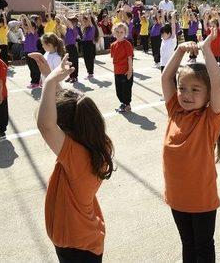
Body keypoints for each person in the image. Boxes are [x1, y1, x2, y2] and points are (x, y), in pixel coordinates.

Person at [36, 55, 113, 263]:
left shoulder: (76, 157)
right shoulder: (96, 144)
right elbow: (73, 108)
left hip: (77, 244)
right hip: (83, 238)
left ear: (68, 129)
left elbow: (46, 125)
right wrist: (48, 75)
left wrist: (51, 81)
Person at [161, 29, 220, 263]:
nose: (186, 94)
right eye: (183, 88)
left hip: (201, 198)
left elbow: (218, 84)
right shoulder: (174, 110)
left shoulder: (209, 119)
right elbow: (166, 78)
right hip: (177, 197)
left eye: (195, 89)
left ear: (208, 95)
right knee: (187, 243)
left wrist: (206, 50)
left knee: (203, 245)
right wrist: (178, 50)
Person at [110, 23, 134, 113]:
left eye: (121, 32)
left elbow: (129, 58)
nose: (119, 33)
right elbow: (114, 58)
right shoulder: (113, 45)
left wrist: (130, 71)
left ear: (125, 33)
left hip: (126, 72)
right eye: (117, 31)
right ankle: (123, 103)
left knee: (126, 90)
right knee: (119, 90)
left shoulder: (127, 44)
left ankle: (127, 105)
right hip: (117, 72)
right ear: (114, 32)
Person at [19, 15, 41, 89]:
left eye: (28, 27)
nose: (27, 28)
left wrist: (26, 18)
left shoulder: (34, 34)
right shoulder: (27, 34)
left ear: (33, 28)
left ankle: (37, 82)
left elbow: (29, 26)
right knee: (31, 68)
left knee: (35, 68)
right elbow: (23, 26)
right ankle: (33, 82)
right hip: (27, 53)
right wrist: (22, 19)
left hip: (33, 52)